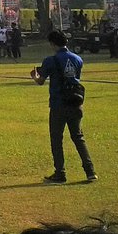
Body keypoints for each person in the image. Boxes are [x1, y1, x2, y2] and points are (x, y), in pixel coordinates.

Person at [30, 30, 96, 183]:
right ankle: (90, 171)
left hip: (59, 104)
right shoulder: (78, 59)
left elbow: (41, 81)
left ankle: (60, 173)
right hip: (75, 102)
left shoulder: (50, 60)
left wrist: (34, 76)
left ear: (53, 44)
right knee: (78, 138)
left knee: (56, 139)